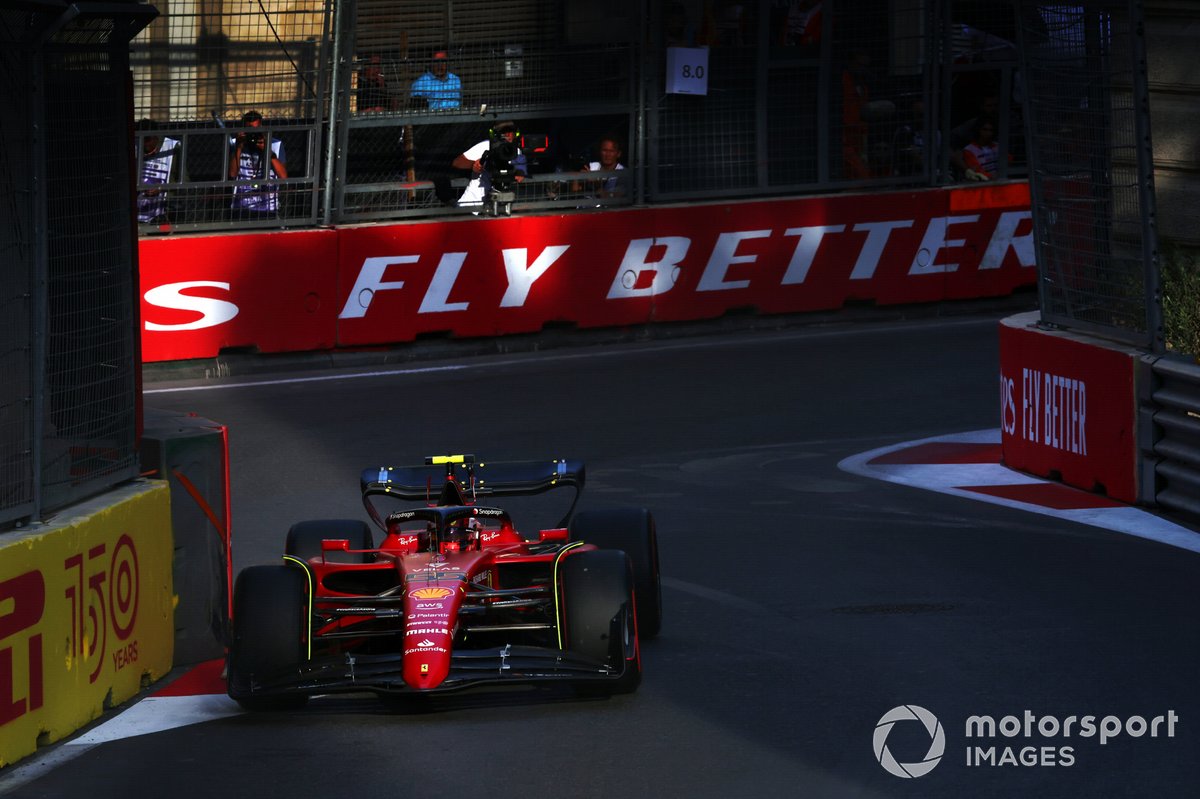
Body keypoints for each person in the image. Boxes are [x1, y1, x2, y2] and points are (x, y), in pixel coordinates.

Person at [452, 120, 527, 208]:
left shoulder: (516, 151)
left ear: (515, 133)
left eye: (510, 131)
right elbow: (457, 162)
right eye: (503, 131)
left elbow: (520, 173)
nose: (507, 134)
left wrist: (520, 173)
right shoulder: (485, 146)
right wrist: (475, 165)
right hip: (473, 204)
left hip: (499, 204)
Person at [228, 110, 287, 218]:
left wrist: (267, 150)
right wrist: (239, 148)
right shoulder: (235, 143)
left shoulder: (275, 144)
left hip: (268, 207)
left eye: (256, 130)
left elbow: (283, 176)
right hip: (241, 207)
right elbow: (232, 174)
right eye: (249, 130)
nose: (253, 134)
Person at [135, 118, 180, 225]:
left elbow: (183, 180)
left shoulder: (172, 147)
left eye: (147, 140)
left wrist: (161, 188)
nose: (144, 145)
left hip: (163, 210)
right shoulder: (136, 146)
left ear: (156, 137)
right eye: (141, 140)